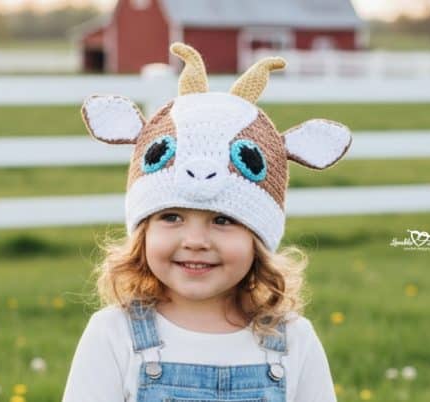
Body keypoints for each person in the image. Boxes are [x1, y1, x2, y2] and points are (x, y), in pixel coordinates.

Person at [62, 42, 352, 402]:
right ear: (143, 232)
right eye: (171, 217)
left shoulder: (293, 341)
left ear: (257, 239)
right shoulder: (113, 335)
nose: (195, 240)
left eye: (221, 220)